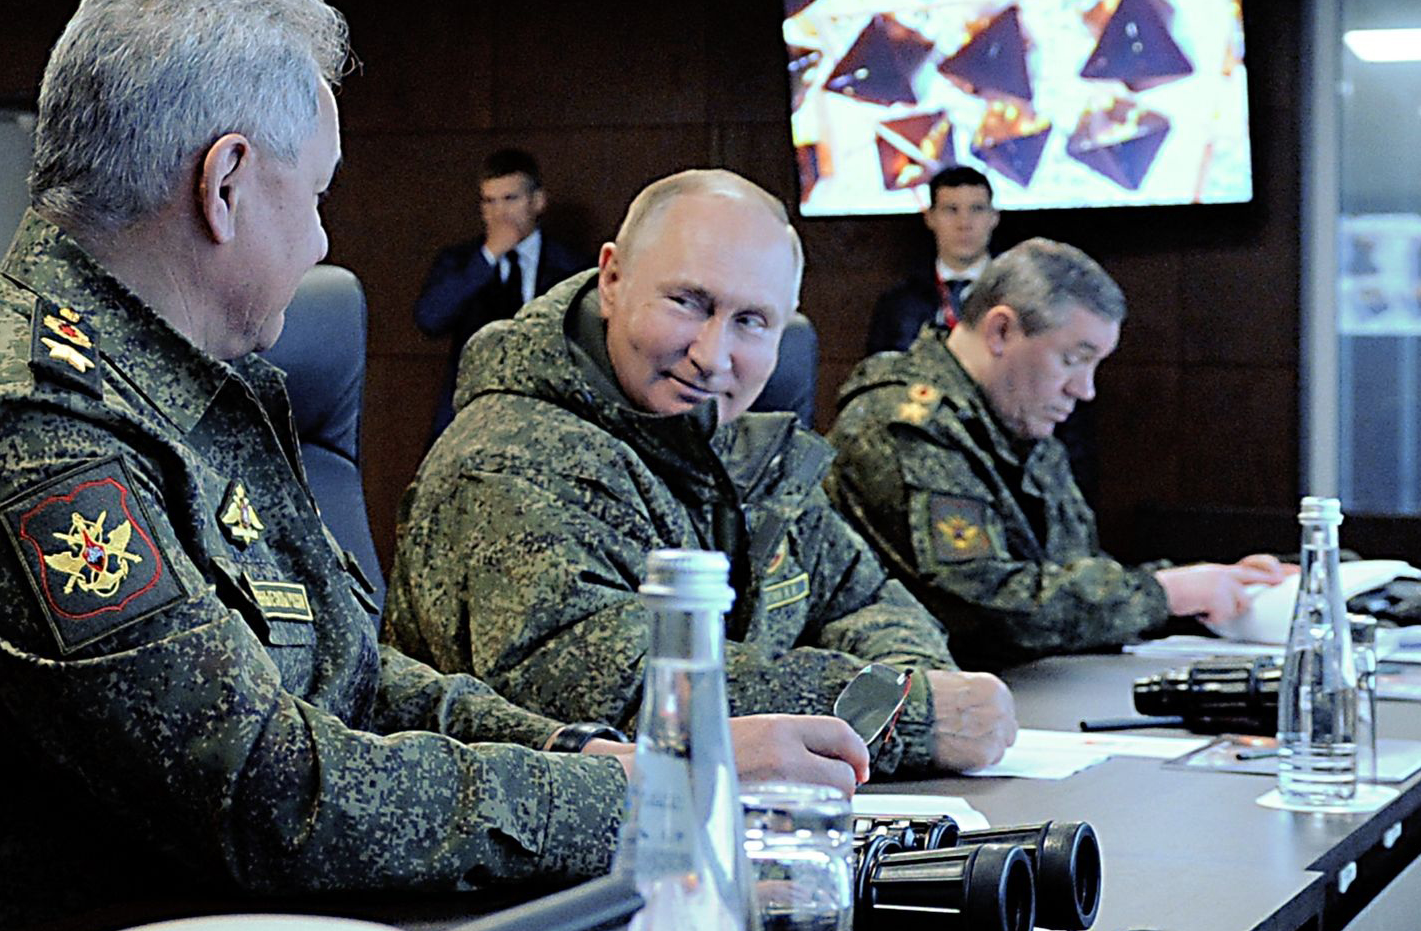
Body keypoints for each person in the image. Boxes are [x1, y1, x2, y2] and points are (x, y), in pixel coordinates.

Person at [0, 0, 867, 931]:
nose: (319, 242)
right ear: (224, 184)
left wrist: (599, 762)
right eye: (315, 197)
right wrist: (649, 800)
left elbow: (354, 676)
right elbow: (271, 798)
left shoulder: (197, 388)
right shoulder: (19, 423)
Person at [384, 169, 1017, 777]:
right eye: (688, 303)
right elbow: (620, 696)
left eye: (751, 322)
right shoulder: (507, 461)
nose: (712, 358)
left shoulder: (728, 441)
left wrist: (911, 686)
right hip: (569, 877)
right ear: (611, 279)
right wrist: (905, 711)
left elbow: (866, 598)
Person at [828, 237, 1289, 668]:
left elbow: (1066, 577)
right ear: (1001, 331)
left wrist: (1209, 590)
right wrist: (1162, 595)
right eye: (1072, 359)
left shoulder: (1015, 416)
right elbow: (982, 606)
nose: (1084, 389)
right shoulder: (902, 423)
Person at [413, 148, 590, 436]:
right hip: (473, 414)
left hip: (548, 414)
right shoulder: (462, 262)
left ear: (538, 201)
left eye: (510, 199)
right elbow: (430, 318)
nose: (499, 213)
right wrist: (488, 256)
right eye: (489, 201)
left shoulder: (573, 266)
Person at [864, 166, 998, 357]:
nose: (964, 223)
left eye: (976, 209)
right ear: (930, 218)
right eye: (951, 210)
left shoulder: (1017, 295)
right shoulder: (899, 303)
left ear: (994, 217)